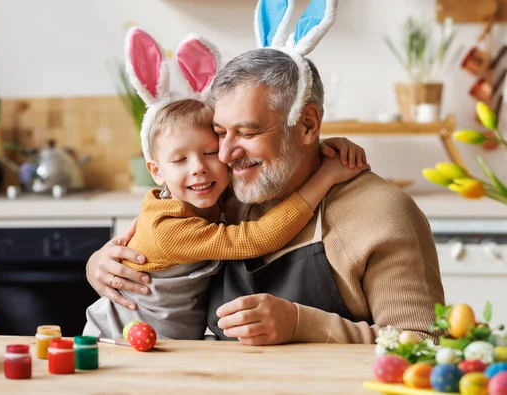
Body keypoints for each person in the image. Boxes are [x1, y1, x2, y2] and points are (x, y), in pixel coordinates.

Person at [86, 0, 444, 345]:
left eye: (247, 132)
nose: (224, 154)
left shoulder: (383, 213)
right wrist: (100, 264)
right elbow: (154, 245)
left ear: (307, 124)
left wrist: (304, 324)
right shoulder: (223, 193)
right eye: (221, 134)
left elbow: (426, 343)